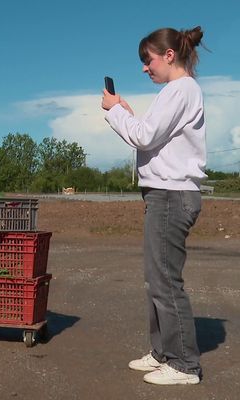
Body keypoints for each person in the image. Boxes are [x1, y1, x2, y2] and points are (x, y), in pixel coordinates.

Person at [101, 26, 206, 385]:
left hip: (172, 194)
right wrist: (125, 111)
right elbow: (150, 136)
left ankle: (184, 365)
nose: (145, 68)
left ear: (169, 56)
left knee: (165, 281)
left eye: (148, 60)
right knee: (156, 279)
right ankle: (163, 352)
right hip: (165, 193)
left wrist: (115, 112)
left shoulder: (181, 89)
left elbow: (144, 136)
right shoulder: (175, 92)